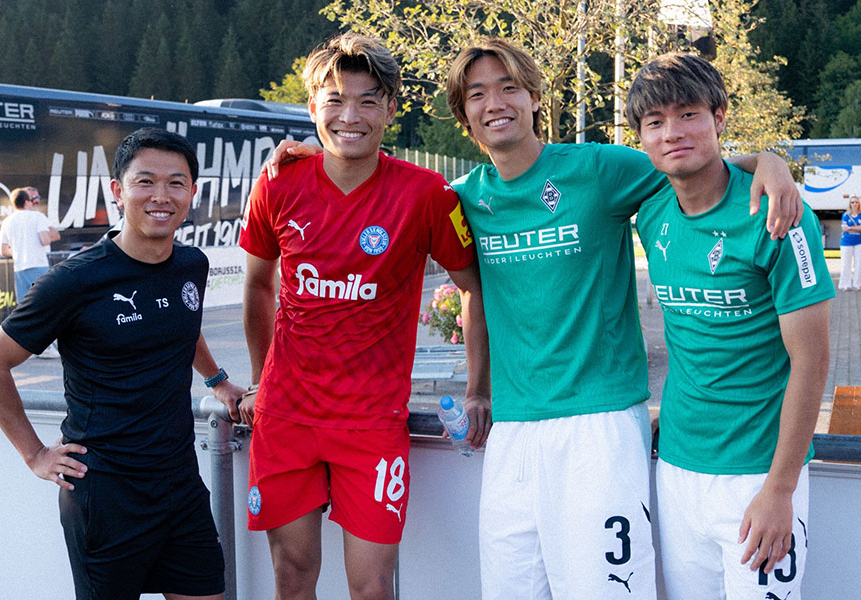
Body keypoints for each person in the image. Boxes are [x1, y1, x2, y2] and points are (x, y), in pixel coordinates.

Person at [264, 38, 800, 599]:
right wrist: (307, 148)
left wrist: (768, 162)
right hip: (512, 433)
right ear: (463, 114)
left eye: (508, 87)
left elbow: (688, 159)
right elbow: (385, 190)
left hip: (600, 424)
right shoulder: (461, 196)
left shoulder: (598, 169)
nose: (495, 103)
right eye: (477, 94)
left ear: (534, 96)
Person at [238, 33, 489, 600]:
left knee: (373, 587)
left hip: (372, 423)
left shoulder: (426, 194)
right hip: (286, 419)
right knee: (292, 576)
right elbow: (257, 284)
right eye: (334, 100)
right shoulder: (279, 182)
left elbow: (474, 290)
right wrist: (260, 379)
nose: (350, 116)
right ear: (312, 109)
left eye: (368, 100)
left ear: (391, 110)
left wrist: (479, 388)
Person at [0, 127, 245, 600]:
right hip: (106, 496)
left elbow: (183, 323)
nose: (161, 196)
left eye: (176, 183)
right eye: (145, 182)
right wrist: (35, 455)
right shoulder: (74, 281)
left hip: (180, 484)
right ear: (118, 192)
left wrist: (219, 382)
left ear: (192, 194)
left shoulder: (191, 265)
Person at [627, 52, 833, 600]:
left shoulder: (781, 217)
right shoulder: (651, 211)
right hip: (675, 471)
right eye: (655, 123)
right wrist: (765, 156)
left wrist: (780, 489)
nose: (673, 132)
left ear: (718, 116)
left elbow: (812, 364)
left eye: (688, 113)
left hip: (757, 478)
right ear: (642, 138)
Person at [0, 186, 60, 305]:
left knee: (25, 307)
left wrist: (18, 251)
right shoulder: (37, 217)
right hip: (39, 265)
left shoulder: (6, 222)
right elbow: (45, 240)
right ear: (26, 202)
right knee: (45, 303)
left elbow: (3, 250)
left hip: (20, 269)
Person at [839, 195, 861, 290]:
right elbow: (844, 228)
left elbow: (848, 228)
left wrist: (850, 228)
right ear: (850, 204)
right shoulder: (845, 215)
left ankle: (858, 285)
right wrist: (857, 229)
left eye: (856, 202)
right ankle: (845, 285)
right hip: (846, 243)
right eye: (852, 202)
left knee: (859, 264)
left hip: (859, 242)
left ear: (859, 204)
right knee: (845, 264)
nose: (854, 204)